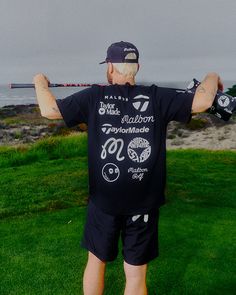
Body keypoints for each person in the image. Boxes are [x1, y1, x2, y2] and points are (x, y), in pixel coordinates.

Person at [33, 41, 223, 295]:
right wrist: (212, 77)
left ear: (110, 67)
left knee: (96, 261)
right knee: (135, 272)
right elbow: (203, 102)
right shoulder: (157, 97)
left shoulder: (95, 96)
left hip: (104, 200)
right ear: (137, 67)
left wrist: (39, 82)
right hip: (143, 201)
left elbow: (48, 109)